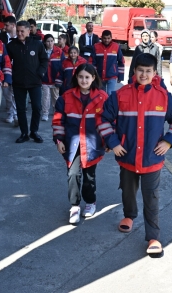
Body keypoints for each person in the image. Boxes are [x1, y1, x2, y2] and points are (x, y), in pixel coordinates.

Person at [98, 54, 172, 255]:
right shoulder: (120, 95)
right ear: (134, 71)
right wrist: (113, 143)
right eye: (140, 70)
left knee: (151, 198)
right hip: (127, 157)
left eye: (149, 71)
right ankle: (129, 215)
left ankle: (153, 236)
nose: (144, 74)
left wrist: (168, 141)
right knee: (127, 192)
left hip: (152, 159)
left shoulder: (163, 96)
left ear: (155, 73)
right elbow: (103, 119)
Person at [53, 64, 108, 224]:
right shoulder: (65, 97)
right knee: (72, 174)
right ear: (76, 78)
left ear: (93, 78)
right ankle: (75, 206)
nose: (84, 80)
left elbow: (109, 121)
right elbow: (58, 120)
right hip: (72, 144)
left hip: (92, 144)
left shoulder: (102, 97)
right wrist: (59, 139)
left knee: (89, 176)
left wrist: (108, 141)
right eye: (81, 77)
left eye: (87, 77)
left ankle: (90, 202)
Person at [6, 20, 48, 144]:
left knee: (37, 107)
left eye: (22, 31)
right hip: (18, 82)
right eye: (17, 31)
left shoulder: (37, 44)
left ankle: (34, 131)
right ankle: (24, 133)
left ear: (28, 31)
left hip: (35, 82)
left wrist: (40, 73)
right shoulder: (11, 46)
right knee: (20, 109)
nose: (19, 34)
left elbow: (44, 60)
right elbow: (6, 62)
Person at [0, 15, 18, 126]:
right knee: (7, 94)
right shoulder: (1, 37)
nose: (4, 27)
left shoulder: (21, 36)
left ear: (13, 25)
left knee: (16, 94)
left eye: (6, 25)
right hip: (5, 69)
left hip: (18, 70)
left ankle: (15, 115)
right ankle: (10, 113)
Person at [91, 29, 125, 94]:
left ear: (111, 38)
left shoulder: (116, 47)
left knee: (110, 93)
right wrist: (93, 75)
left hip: (112, 76)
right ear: (101, 38)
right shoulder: (96, 47)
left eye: (108, 38)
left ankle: (109, 104)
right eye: (104, 38)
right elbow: (92, 62)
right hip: (99, 76)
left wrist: (121, 76)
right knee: (101, 94)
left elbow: (121, 61)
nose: (106, 40)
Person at [41, 34, 64, 121]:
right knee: (45, 97)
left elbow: (63, 65)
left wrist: (60, 77)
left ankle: (56, 112)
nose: (50, 43)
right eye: (48, 41)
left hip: (55, 79)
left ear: (54, 41)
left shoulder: (59, 51)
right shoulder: (42, 51)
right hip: (45, 79)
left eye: (51, 41)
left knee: (56, 97)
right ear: (45, 42)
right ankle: (45, 113)